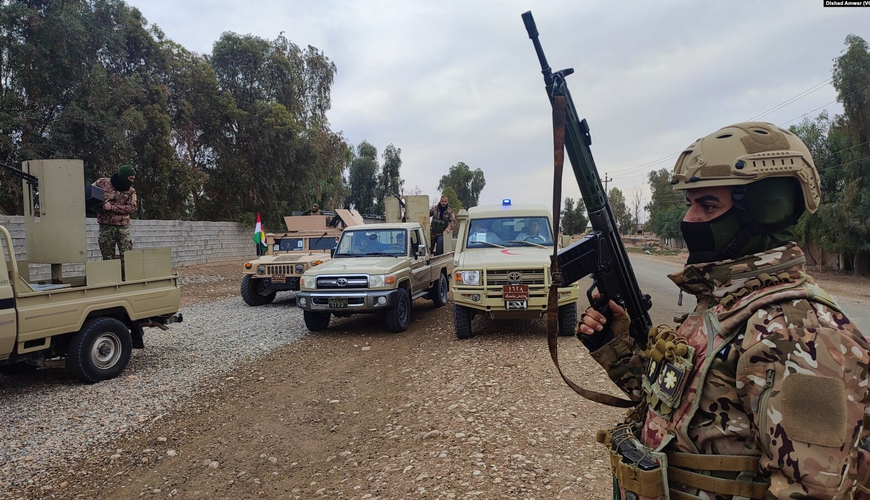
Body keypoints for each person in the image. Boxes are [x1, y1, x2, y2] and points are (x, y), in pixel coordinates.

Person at [576, 122, 869, 500]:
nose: (689, 219)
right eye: (690, 204)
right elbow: (673, 409)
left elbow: (815, 490)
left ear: (764, 211)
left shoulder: (797, 332)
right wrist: (612, 345)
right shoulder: (723, 305)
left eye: (708, 205)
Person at [92, 165, 137, 270]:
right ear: (123, 176)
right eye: (130, 179)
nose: (132, 181)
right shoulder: (102, 183)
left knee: (127, 254)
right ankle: (112, 280)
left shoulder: (131, 191)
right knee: (107, 256)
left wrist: (112, 207)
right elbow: (90, 192)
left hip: (122, 227)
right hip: (105, 226)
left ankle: (127, 279)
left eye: (133, 179)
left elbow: (132, 208)